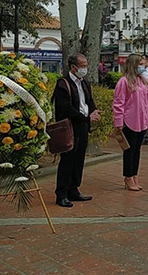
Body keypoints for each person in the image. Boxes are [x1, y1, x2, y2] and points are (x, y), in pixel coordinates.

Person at [52, 54, 101, 208]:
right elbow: (66, 108)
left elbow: (89, 101)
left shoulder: (84, 83)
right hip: (70, 126)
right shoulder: (63, 84)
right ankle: (61, 194)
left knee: (79, 158)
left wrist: (93, 112)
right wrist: (85, 117)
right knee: (68, 160)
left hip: (83, 126)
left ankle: (74, 189)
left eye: (86, 65)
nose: (85, 69)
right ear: (73, 67)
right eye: (82, 66)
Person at [112, 54, 148, 191]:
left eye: (143, 64)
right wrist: (118, 122)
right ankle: (128, 177)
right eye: (140, 64)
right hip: (129, 121)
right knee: (129, 150)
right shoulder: (123, 82)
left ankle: (135, 175)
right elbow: (118, 103)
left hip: (142, 121)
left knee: (137, 150)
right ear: (133, 65)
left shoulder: (143, 81)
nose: (143, 67)